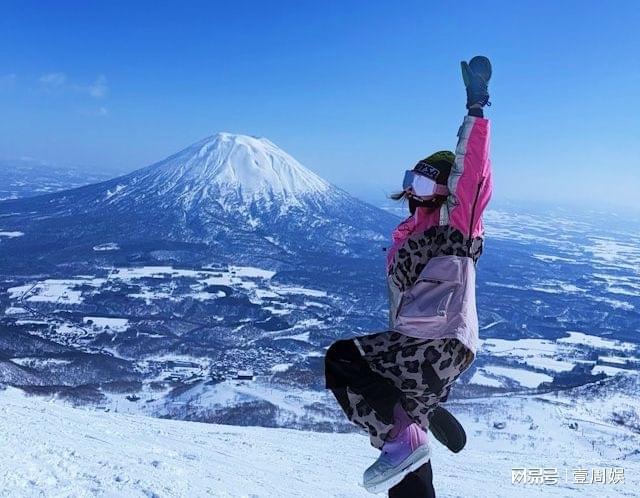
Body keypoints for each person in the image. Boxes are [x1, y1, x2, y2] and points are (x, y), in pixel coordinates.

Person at [324, 55, 493, 495]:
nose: (411, 192)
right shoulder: (406, 236)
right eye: (410, 181)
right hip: (422, 343)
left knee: (344, 359)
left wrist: (475, 111)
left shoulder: (456, 229)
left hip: (439, 341)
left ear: (440, 189)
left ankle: (407, 430)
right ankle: (418, 419)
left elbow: (470, 178)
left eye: (421, 184)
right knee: (408, 474)